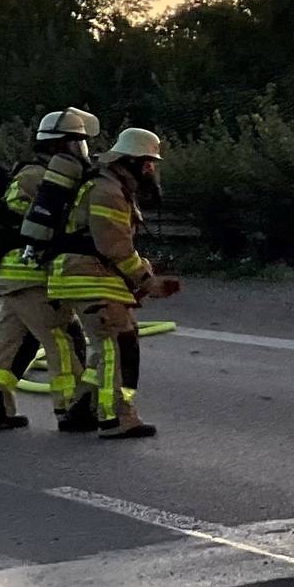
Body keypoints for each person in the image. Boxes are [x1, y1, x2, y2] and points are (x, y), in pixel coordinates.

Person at [0, 109, 98, 433]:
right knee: (64, 339)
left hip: (16, 275)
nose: (81, 152)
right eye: (78, 144)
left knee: (11, 344)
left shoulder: (35, 173)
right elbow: (32, 220)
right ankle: (71, 409)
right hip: (33, 274)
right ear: (62, 145)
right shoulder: (39, 176)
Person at [47, 128, 179, 439]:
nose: (151, 171)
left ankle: (83, 407)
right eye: (148, 164)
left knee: (113, 344)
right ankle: (117, 418)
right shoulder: (107, 191)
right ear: (130, 161)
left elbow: (115, 246)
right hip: (87, 278)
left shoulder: (115, 186)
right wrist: (148, 282)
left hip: (89, 276)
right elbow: (114, 247)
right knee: (116, 347)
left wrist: (144, 277)